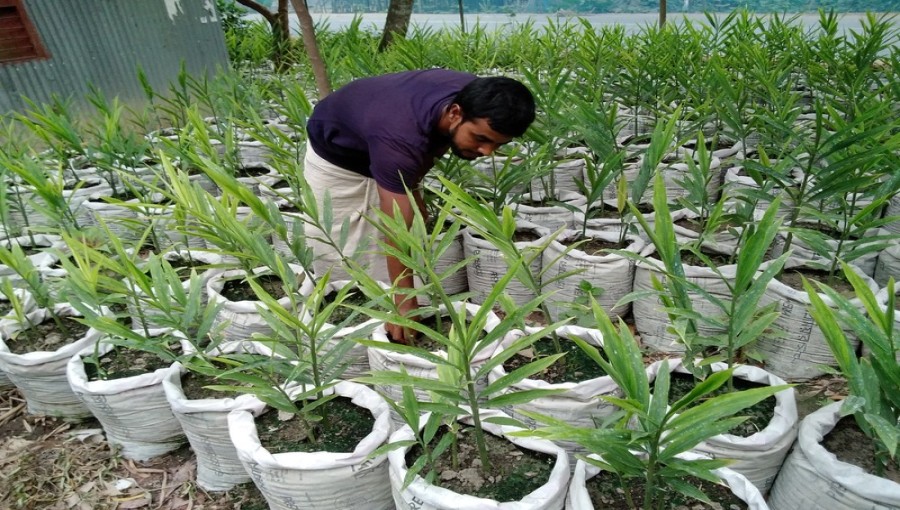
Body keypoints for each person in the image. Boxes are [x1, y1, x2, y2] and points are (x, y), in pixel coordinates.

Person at [303, 68, 536, 344]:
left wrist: (413, 193)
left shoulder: (477, 96)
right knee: (342, 252)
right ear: (455, 113)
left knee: (411, 227)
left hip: (385, 136)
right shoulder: (400, 138)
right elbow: (397, 229)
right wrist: (404, 301)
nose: (487, 152)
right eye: (481, 138)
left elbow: (420, 154)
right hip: (338, 154)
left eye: (497, 145)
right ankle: (352, 342)